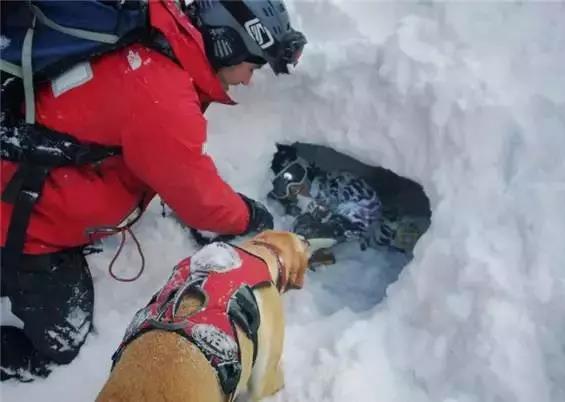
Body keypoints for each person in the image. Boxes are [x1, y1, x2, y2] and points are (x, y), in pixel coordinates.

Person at [0, 0, 306, 382]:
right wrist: (249, 216)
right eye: (253, 64)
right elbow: (197, 196)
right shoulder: (161, 94)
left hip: (30, 186)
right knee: (59, 348)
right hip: (27, 223)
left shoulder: (156, 39)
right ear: (228, 43)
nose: (248, 79)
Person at [269, 145, 429, 253]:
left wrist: (335, 227)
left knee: (406, 233)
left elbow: (367, 205)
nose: (294, 188)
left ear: (304, 166)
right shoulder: (290, 213)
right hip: (344, 277)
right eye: (282, 187)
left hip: (381, 245)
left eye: (294, 175)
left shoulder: (335, 182)